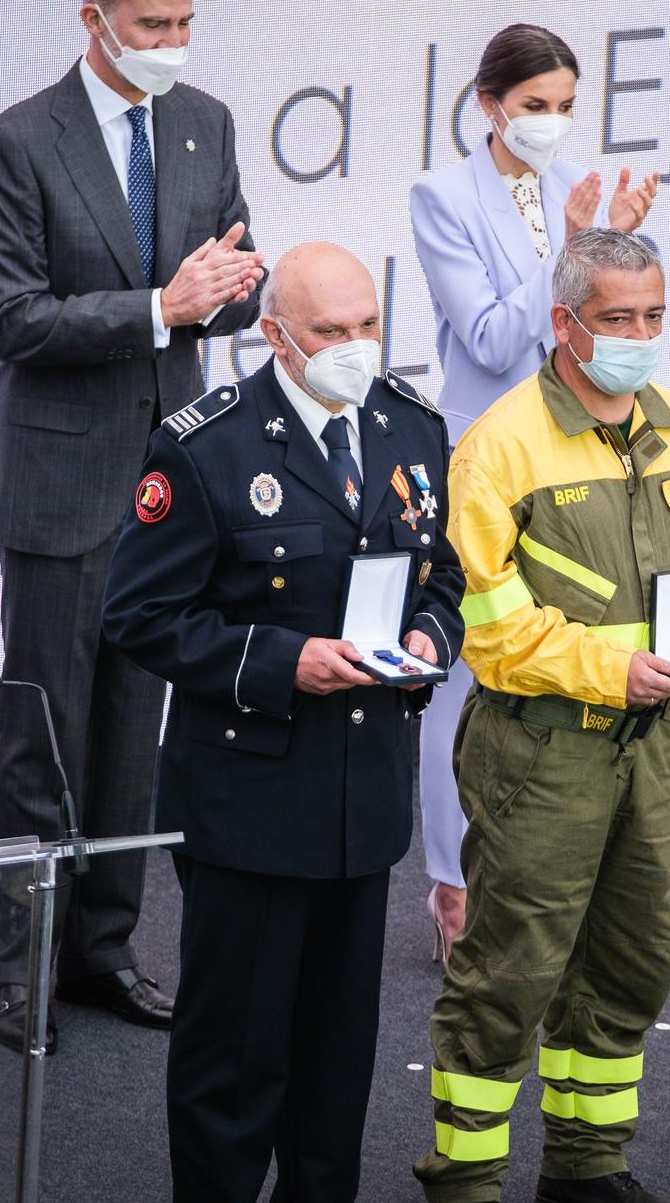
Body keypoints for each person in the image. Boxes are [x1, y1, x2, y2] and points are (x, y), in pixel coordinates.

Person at [103, 242, 465, 1202]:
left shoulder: (410, 426)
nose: (356, 347)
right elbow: (139, 616)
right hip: (252, 803)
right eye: (332, 332)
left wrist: (431, 635)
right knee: (236, 1064)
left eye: (368, 326)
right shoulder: (205, 444)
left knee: (335, 1066)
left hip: (362, 802)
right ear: (276, 335)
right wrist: (280, 660)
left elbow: (448, 575)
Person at [0, 0, 266, 1053]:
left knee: (135, 735)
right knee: (43, 733)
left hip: (166, 480)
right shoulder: (19, 142)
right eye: (152, 27)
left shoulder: (204, 123)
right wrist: (159, 308)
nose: (173, 45)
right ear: (94, 20)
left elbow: (232, 279)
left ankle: (102, 952)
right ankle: (17, 969)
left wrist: (234, 291)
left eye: (185, 24)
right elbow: (12, 318)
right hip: (55, 476)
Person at [415, 229, 670, 1203]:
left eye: (652, 315)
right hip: (539, 748)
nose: (640, 335)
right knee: (507, 977)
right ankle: (465, 1179)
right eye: (617, 319)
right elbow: (488, 624)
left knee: (630, 965)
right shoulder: (501, 444)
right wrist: (611, 667)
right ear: (563, 323)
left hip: (651, 747)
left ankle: (586, 1166)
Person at [409, 23, 660, 962]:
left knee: (551, 655)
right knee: (464, 671)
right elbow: (485, 337)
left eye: (564, 107)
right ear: (488, 104)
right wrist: (570, 252)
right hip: (483, 450)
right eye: (533, 107)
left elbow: (596, 324)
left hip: (568, 444)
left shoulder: (573, 189)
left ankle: (543, 865)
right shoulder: (441, 194)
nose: (552, 125)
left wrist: (612, 241)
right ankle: (451, 885)